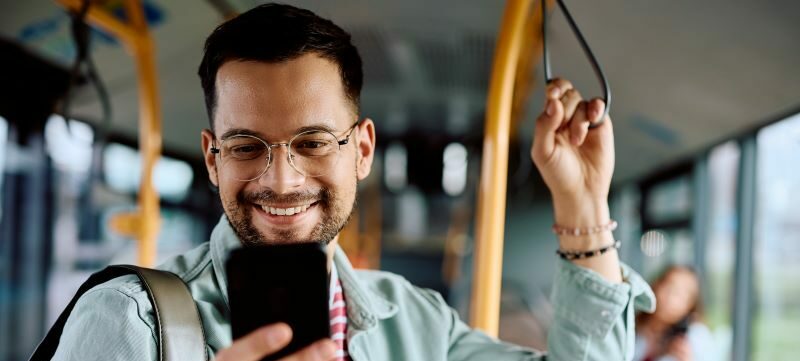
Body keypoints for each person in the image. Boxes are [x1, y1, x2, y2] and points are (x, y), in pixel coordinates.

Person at [48, 3, 654, 360]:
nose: (280, 180)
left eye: (312, 143)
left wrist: (582, 205)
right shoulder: (129, 319)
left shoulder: (417, 326)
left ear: (361, 150)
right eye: (245, 146)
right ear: (212, 159)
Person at [633, 266, 716, 361]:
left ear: (690, 305)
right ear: (656, 286)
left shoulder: (695, 336)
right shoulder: (635, 326)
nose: (670, 297)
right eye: (668, 287)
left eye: (680, 294)